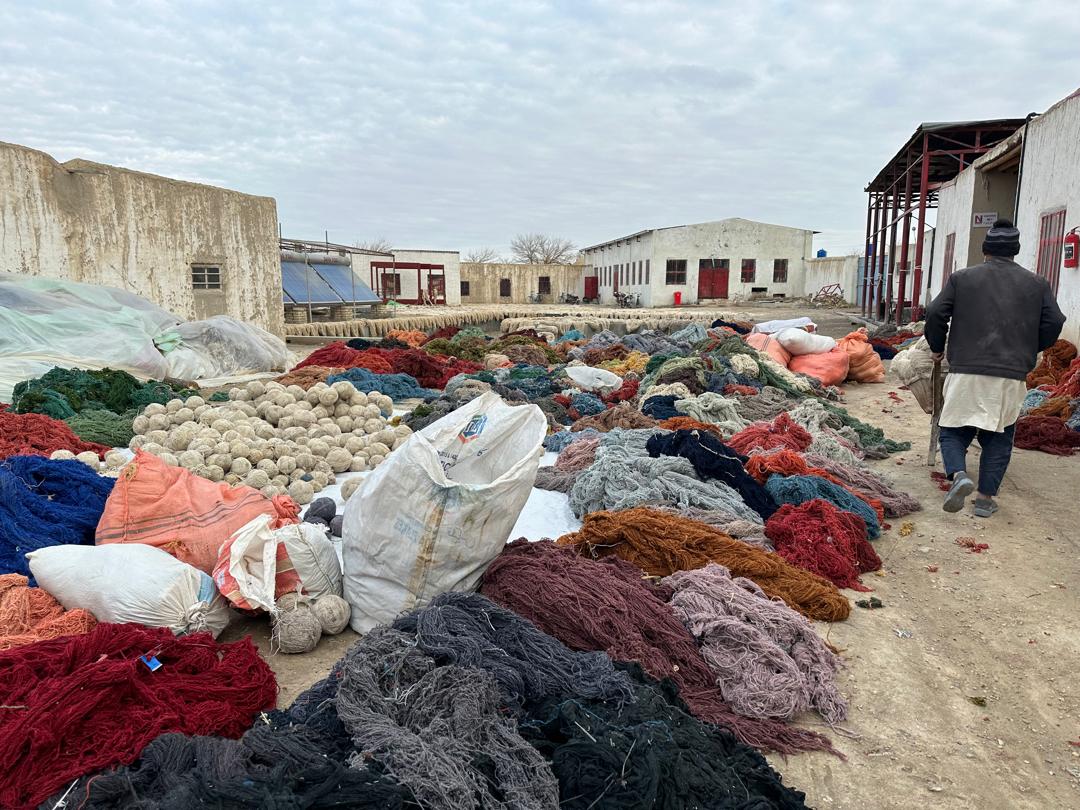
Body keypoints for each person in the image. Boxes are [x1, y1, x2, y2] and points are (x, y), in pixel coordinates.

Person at [925, 219, 1065, 517]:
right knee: (999, 436)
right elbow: (1055, 321)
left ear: (985, 249)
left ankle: (959, 476)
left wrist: (937, 346)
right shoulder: (1037, 283)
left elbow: (936, 312)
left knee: (952, 429)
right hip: (1010, 374)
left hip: (966, 370)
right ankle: (985, 499)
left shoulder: (962, 278)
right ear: (1015, 251)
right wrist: (1030, 347)